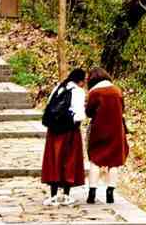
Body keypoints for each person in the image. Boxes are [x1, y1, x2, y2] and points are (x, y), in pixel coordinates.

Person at [41, 69, 87, 207]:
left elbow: (49, 106)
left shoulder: (59, 87)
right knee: (70, 161)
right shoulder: (78, 92)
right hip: (70, 132)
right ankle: (66, 196)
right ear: (80, 80)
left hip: (53, 131)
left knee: (53, 161)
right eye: (84, 80)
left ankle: (53, 196)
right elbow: (79, 115)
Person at [84, 68, 129, 204]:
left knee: (95, 160)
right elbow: (123, 108)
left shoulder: (94, 93)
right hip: (116, 130)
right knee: (114, 161)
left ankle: (92, 193)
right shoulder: (117, 91)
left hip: (98, 129)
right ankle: (110, 192)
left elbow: (89, 112)